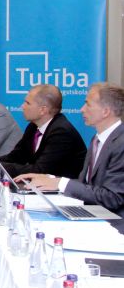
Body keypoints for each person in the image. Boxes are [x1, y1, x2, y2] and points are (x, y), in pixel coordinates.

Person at [17, 83, 124, 232]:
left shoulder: (121, 144)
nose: (82, 109)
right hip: (92, 215)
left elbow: (112, 197)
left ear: (105, 111)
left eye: (88, 104)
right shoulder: (97, 139)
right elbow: (86, 185)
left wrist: (60, 183)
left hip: (114, 226)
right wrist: (50, 179)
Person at [0, 84, 87, 178]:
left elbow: (40, 170)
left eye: (27, 103)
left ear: (43, 110)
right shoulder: (33, 127)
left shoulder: (61, 132)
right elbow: (16, 157)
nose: (22, 106)